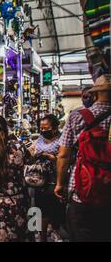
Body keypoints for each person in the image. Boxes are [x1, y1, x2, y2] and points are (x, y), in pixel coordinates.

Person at [55, 74, 111, 242]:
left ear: (94, 95)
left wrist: (60, 183)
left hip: (82, 189)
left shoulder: (77, 116)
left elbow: (63, 155)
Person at [27, 114, 63, 242]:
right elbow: (31, 151)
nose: (42, 131)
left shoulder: (62, 140)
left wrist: (51, 157)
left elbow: (66, 159)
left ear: (54, 128)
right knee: (41, 208)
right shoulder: (40, 139)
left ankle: (55, 231)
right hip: (39, 179)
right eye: (41, 128)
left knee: (55, 208)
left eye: (46, 128)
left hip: (56, 179)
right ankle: (42, 237)